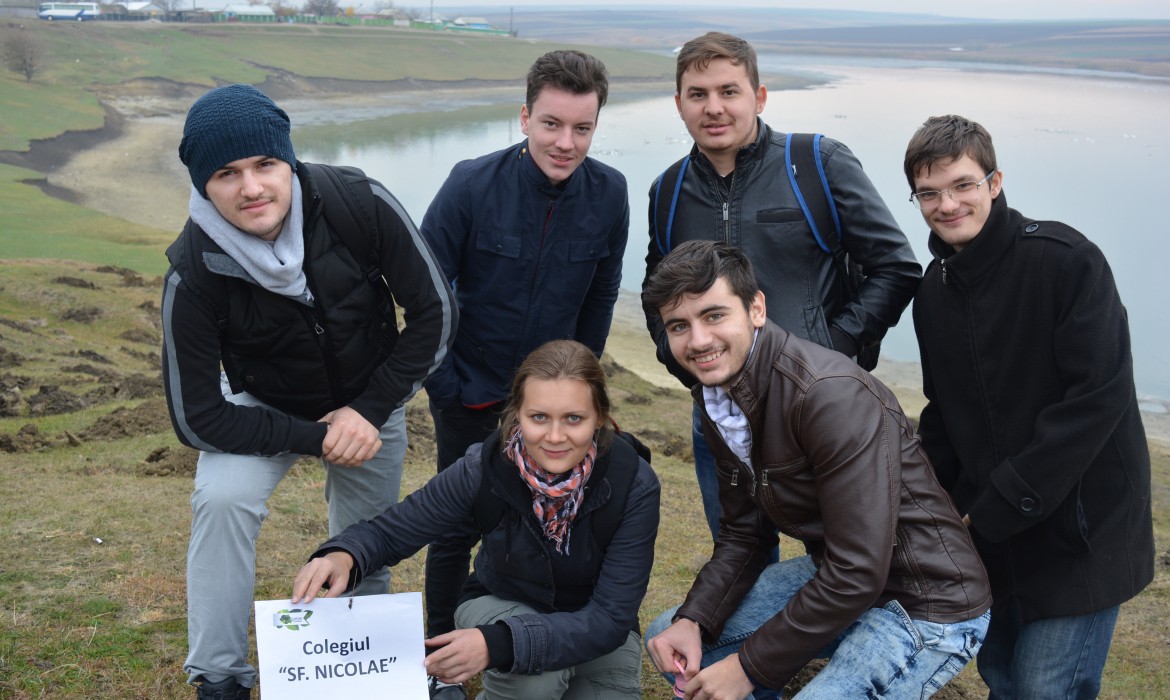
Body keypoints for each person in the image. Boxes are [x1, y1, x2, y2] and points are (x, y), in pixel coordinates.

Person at [161, 84, 456, 700]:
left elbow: (435, 313)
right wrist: (320, 437)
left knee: (367, 539)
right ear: (202, 185)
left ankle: (369, 666)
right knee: (221, 503)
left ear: (288, 161)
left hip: (372, 397)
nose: (252, 188)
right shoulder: (192, 270)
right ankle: (218, 675)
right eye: (227, 173)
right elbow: (196, 419)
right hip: (262, 407)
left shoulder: (357, 201)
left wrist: (369, 411)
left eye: (266, 164)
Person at [641, 240, 990, 699]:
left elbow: (860, 569)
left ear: (756, 308)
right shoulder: (719, 400)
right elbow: (745, 535)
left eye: (714, 315)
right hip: (841, 578)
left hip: (928, 601)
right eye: (679, 326)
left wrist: (747, 667)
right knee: (674, 634)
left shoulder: (828, 396)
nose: (699, 340)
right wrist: (695, 618)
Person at [904, 114, 1154, 699]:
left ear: (994, 182)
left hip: (1081, 532)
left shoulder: (1066, 261)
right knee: (1005, 679)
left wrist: (995, 507)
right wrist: (927, 507)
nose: (947, 204)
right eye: (929, 193)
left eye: (963, 185)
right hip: (988, 536)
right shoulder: (932, 295)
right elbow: (942, 414)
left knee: (1048, 689)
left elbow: (1097, 398)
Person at [642, 32, 921, 543]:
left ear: (759, 96)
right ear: (679, 104)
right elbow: (655, 292)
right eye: (698, 94)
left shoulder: (817, 163)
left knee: (848, 556)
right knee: (739, 555)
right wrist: (682, 364)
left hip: (821, 418)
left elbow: (897, 267)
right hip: (719, 419)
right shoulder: (668, 190)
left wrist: (829, 356)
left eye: (729, 91)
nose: (714, 107)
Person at [418, 49, 629, 696]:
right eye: (552, 125)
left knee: (547, 522)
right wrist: (447, 384)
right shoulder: (469, 183)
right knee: (456, 530)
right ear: (524, 118)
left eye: (582, 129)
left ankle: (539, 639)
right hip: (470, 395)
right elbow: (424, 290)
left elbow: (600, 295)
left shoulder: (611, 193)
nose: (566, 143)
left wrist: (580, 395)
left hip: (553, 408)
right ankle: (441, 669)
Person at [292, 339, 659, 700]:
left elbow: (610, 618)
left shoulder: (635, 485)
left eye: (574, 419)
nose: (555, 436)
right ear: (517, 414)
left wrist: (498, 644)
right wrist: (345, 554)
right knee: (534, 682)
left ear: (599, 419)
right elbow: (394, 530)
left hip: (596, 628)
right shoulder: (483, 467)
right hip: (500, 602)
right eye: (538, 417)